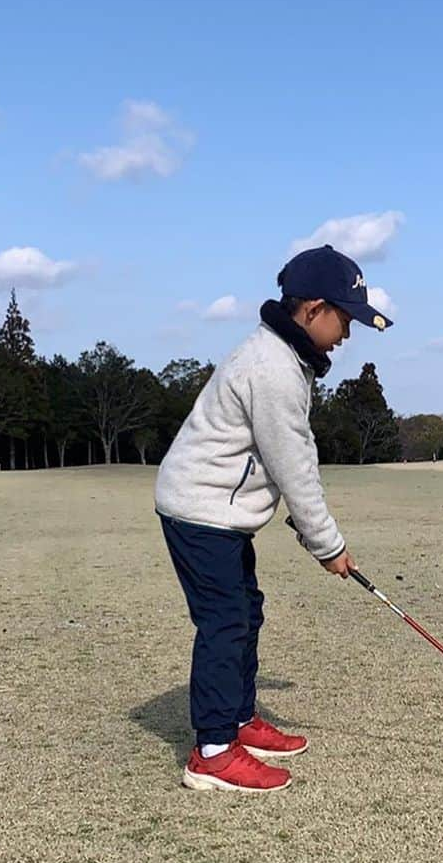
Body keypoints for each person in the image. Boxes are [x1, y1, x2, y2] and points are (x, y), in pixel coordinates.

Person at [154, 244, 392, 792]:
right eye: (344, 319)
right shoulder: (273, 369)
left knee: (245, 611)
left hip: (220, 513)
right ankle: (213, 752)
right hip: (200, 509)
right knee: (225, 622)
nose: (347, 335)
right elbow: (295, 468)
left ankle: (238, 720)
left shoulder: (284, 360)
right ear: (311, 310)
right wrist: (327, 546)